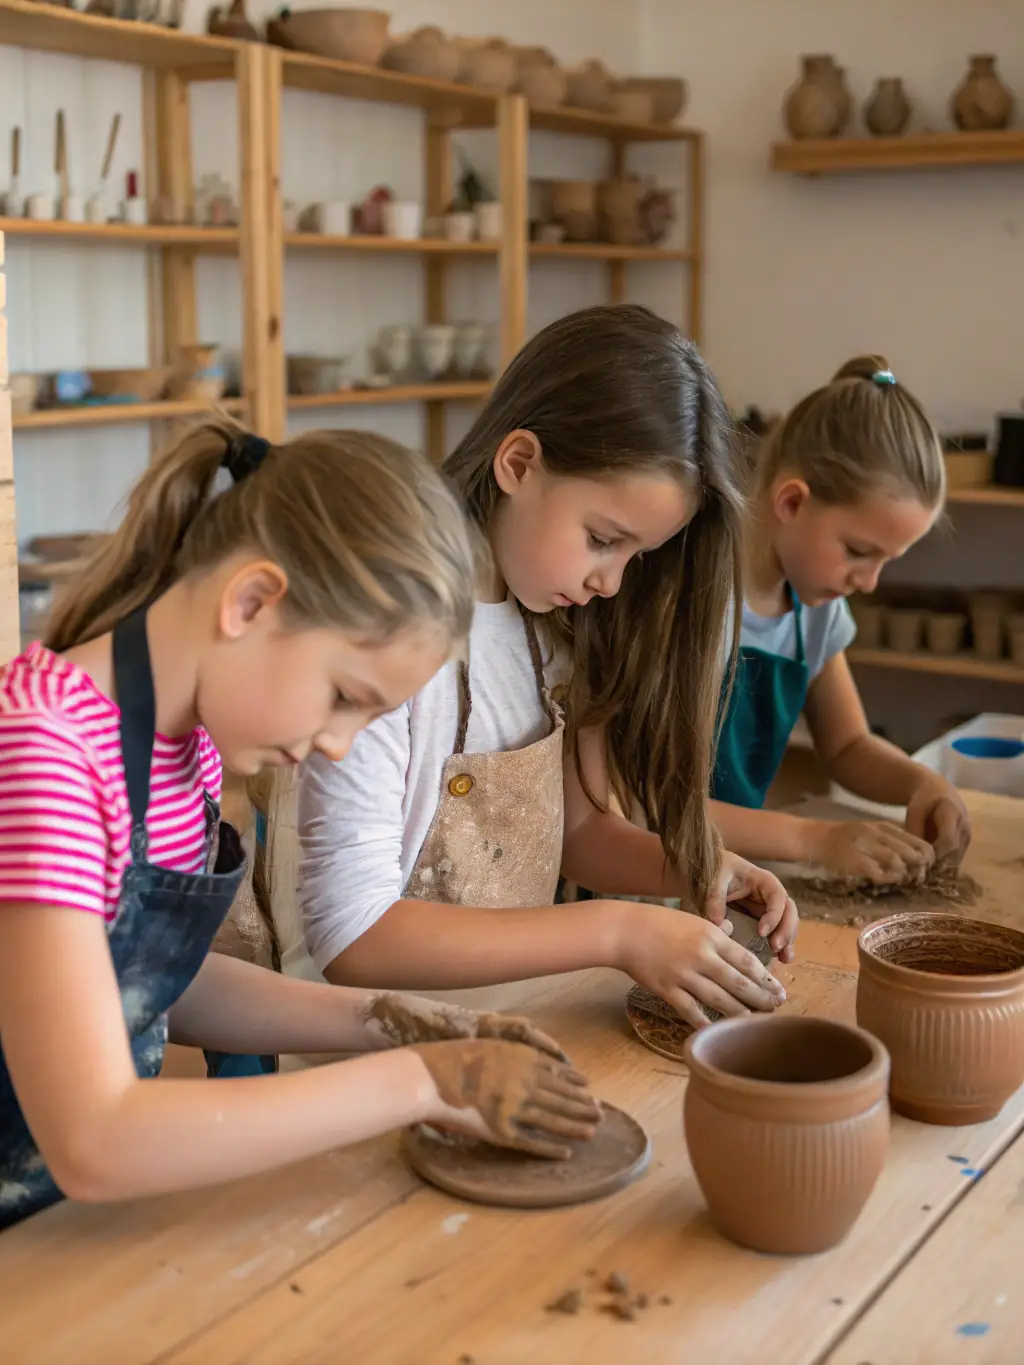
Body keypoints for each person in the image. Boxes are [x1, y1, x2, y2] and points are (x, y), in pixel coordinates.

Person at [0, 419, 601, 1231]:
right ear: (251, 601)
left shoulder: (184, 750)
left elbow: (146, 981)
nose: (338, 742)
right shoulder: (46, 752)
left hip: (59, 1218)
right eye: (345, 695)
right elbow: (94, 1136)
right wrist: (424, 1080)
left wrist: (381, 1018)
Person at [281, 305, 795, 1039]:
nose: (612, 583)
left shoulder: (549, 625)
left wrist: (695, 866)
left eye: (634, 556)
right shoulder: (386, 631)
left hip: (504, 1028)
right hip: (354, 1050)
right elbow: (353, 934)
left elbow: (570, 832)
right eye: (601, 539)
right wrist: (618, 932)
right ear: (518, 463)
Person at [710, 355, 971, 883]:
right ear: (791, 501)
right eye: (857, 550)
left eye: (886, 561)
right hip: (642, 884)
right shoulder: (698, 603)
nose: (869, 581)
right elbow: (651, 810)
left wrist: (923, 784)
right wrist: (815, 838)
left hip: (727, 870)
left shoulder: (816, 610)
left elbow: (848, 747)